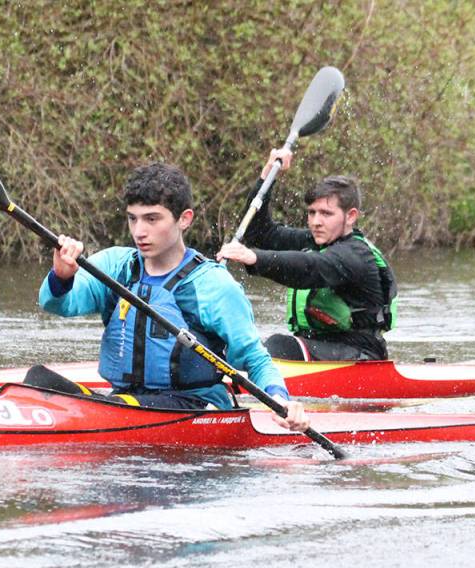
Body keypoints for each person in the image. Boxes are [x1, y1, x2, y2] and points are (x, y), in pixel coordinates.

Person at [33, 162, 308, 431]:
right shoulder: (116, 266)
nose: (140, 231)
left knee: (115, 404)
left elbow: (254, 358)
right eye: (133, 218)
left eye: (152, 219)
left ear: (184, 219)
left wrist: (281, 400)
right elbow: (56, 303)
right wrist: (62, 275)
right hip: (127, 402)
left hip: (195, 407)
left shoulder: (213, 286)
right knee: (38, 380)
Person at [217, 149, 398, 362]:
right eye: (312, 212)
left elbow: (309, 268)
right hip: (318, 347)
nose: (316, 221)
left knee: (279, 344)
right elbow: (260, 232)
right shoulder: (311, 241)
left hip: (360, 354)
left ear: (351, 217)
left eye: (326, 214)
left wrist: (255, 258)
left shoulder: (355, 255)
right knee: (237, 344)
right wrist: (267, 175)